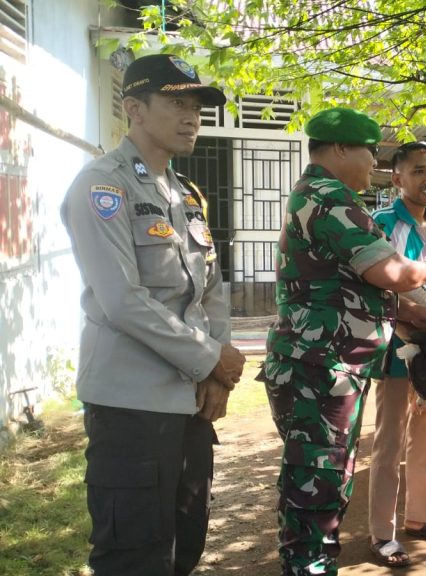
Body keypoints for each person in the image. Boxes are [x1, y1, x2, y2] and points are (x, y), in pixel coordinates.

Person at [61, 53, 246, 575]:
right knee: (135, 556)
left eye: (197, 107)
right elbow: (122, 299)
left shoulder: (184, 193)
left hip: (190, 402)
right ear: (134, 109)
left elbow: (210, 288)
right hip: (131, 406)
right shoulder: (102, 186)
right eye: (176, 103)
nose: (191, 118)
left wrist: (217, 373)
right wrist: (210, 358)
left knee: (185, 545)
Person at [257, 107, 426, 576]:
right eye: (369, 152)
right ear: (341, 149)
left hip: (326, 365)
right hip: (319, 368)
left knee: (325, 479)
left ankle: (312, 563)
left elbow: (350, 284)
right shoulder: (329, 198)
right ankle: (308, 567)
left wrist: (403, 310)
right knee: (316, 486)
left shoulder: (322, 195)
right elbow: (390, 272)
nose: (374, 163)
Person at [366, 141, 426, 568]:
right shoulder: (381, 223)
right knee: (389, 444)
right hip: (395, 349)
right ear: (397, 178)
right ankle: (382, 534)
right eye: (419, 170)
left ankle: (422, 518)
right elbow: (371, 284)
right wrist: (406, 311)